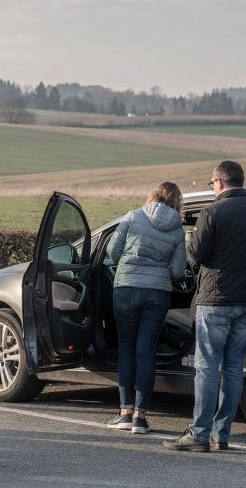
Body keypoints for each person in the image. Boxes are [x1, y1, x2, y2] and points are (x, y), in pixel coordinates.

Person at [164, 160, 246, 452]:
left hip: (217, 300)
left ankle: (199, 434)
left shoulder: (212, 212)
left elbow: (198, 255)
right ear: (240, 181)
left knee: (206, 368)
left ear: (219, 182)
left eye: (212, 184)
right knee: (233, 368)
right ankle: (222, 434)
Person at [105, 182, 186, 435]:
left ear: (154, 195)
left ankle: (125, 413)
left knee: (127, 350)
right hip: (157, 293)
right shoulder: (177, 229)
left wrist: (127, 266)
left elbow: (111, 250)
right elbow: (178, 271)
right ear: (176, 201)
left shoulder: (133, 216)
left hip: (127, 288)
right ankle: (140, 418)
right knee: (146, 352)